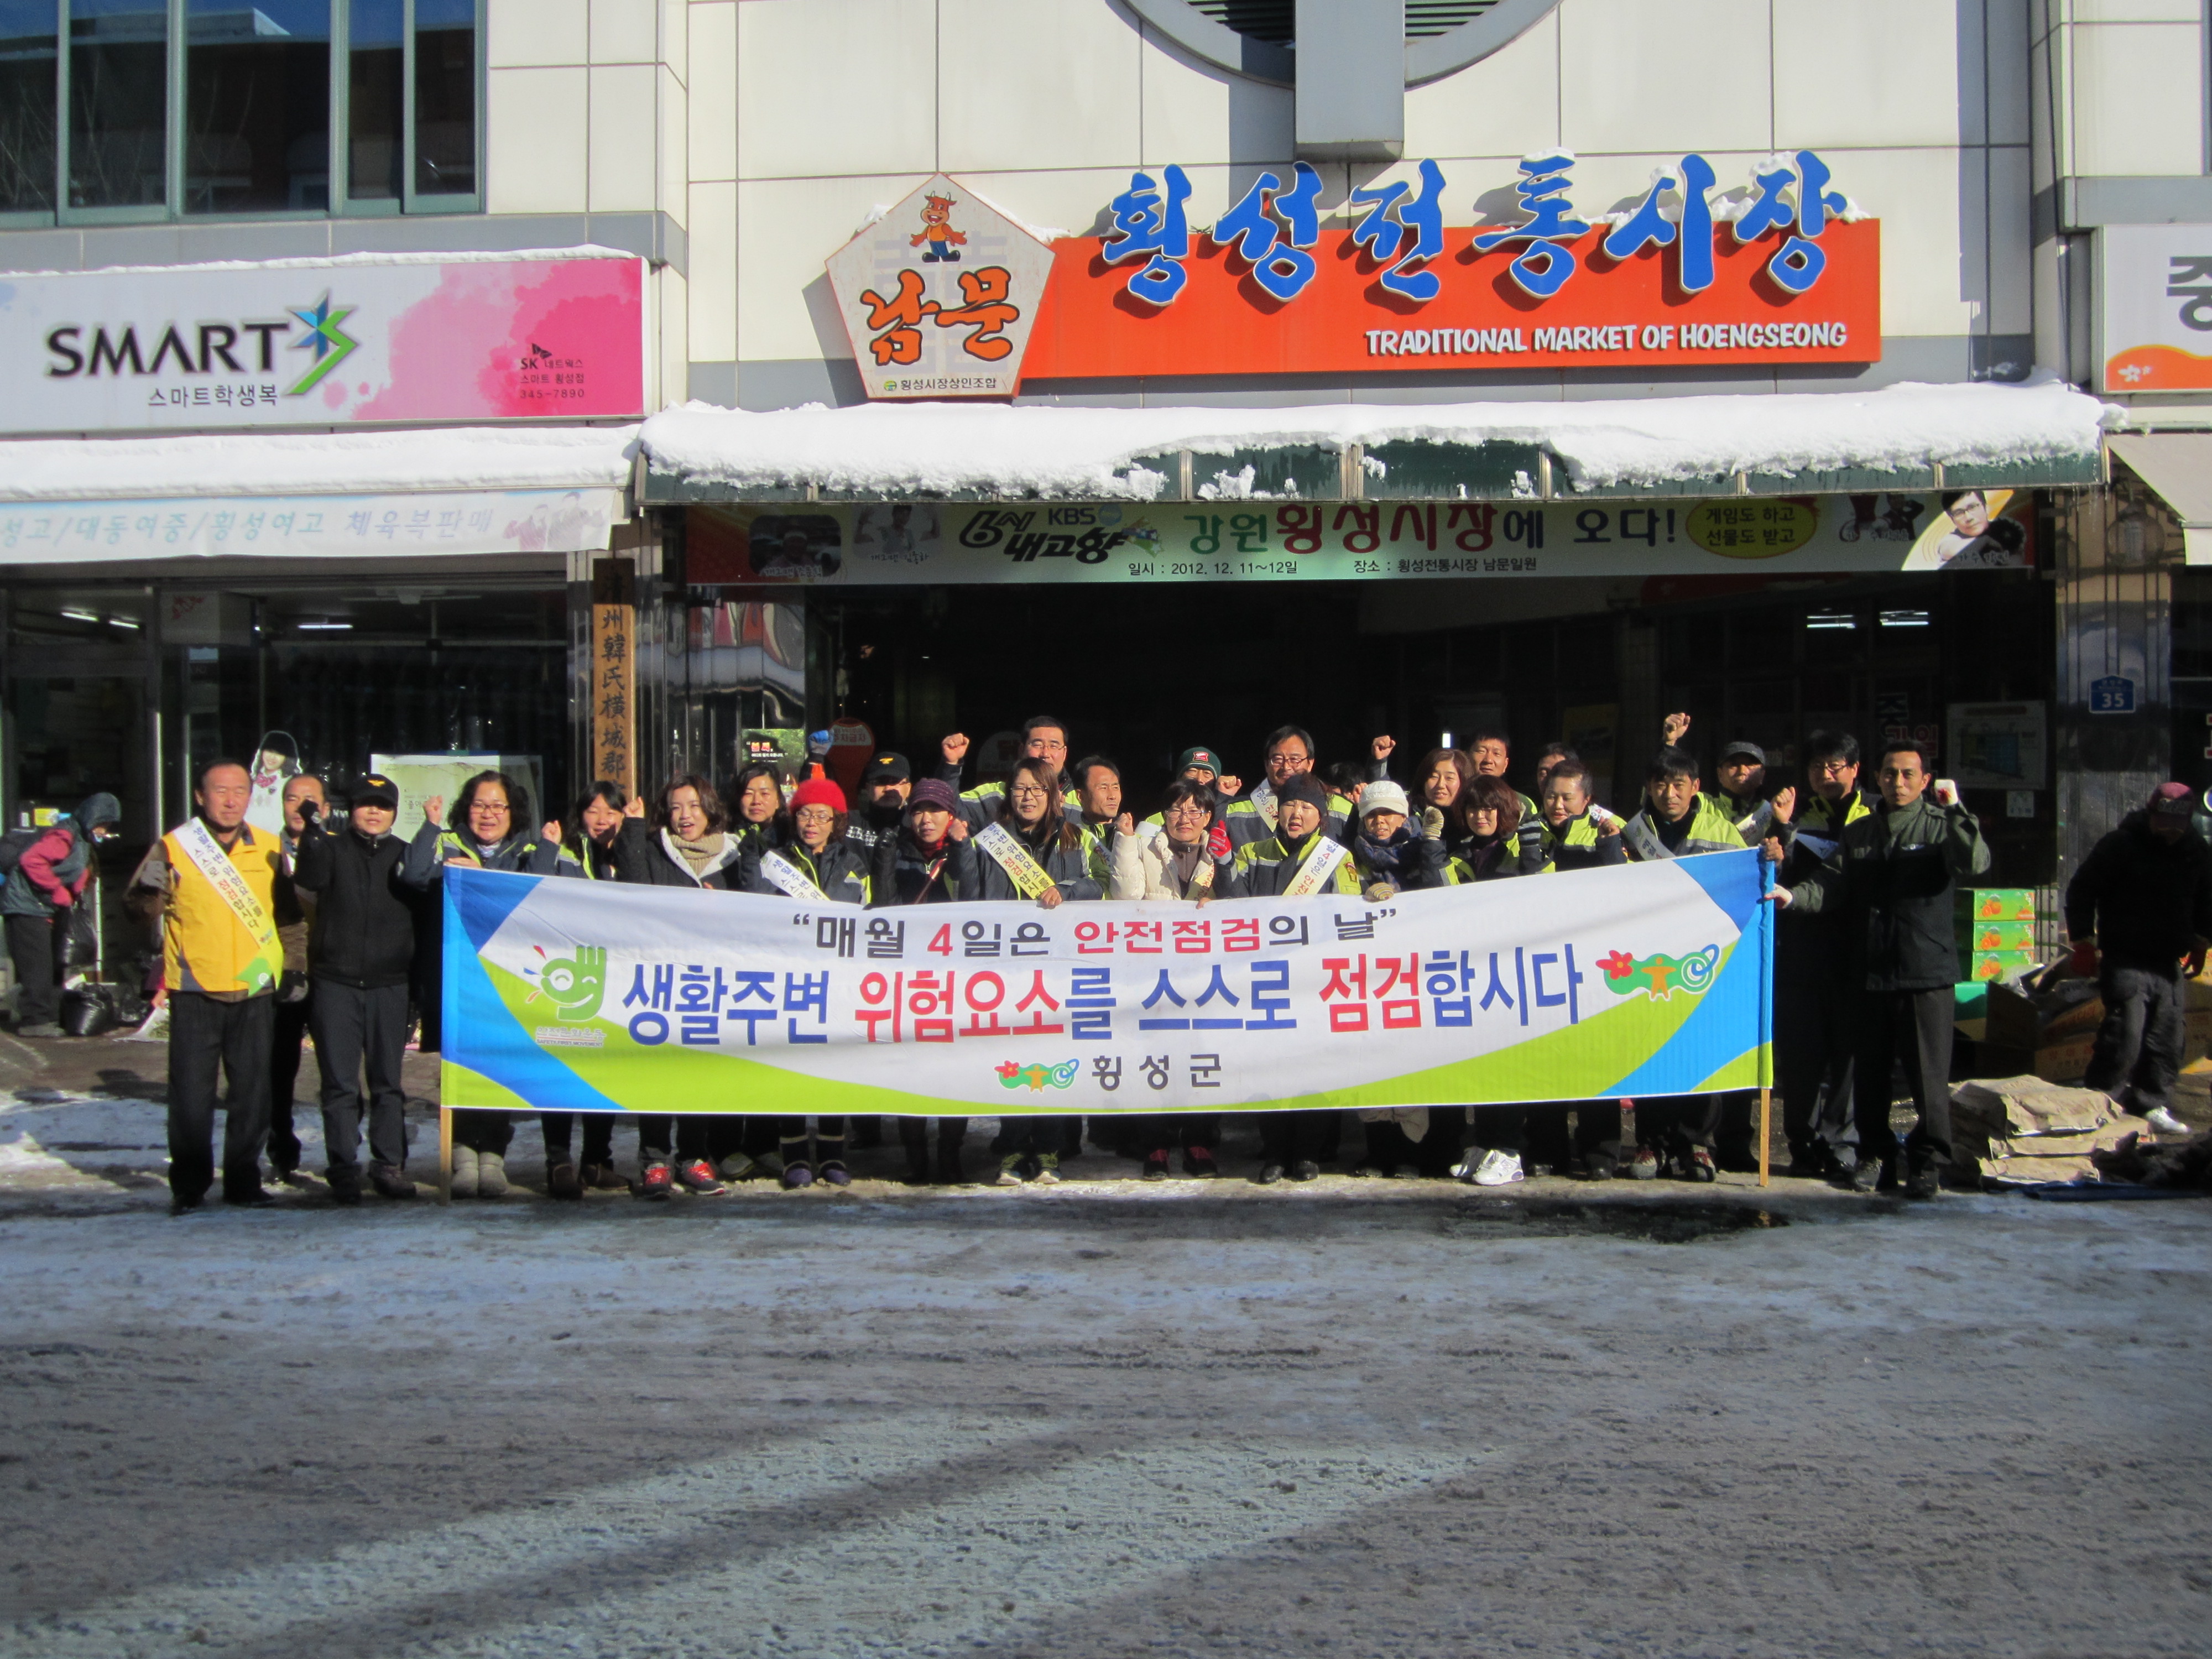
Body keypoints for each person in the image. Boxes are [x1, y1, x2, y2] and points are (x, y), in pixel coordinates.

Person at [1773, 740, 1990, 1198]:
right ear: (1878, 778)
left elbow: (1974, 862)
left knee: (1928, 1077)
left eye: (1909, 774)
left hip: (1925, 972)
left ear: (1926, 781)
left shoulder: (1941, 826)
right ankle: (1876, 1155)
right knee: (1869, 1074)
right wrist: (1793, 897)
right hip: (1869, 973)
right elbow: (1830, 883)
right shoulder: (1861, 833)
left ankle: (1928, 1161)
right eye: (1890, 774)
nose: (1898, 782)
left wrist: (1957, 812)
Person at [125, 760, 302, 1214]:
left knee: (252, 1092)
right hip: (195, 986)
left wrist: (295, 968)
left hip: (254, 987)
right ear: (200, 796)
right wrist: (146, 895)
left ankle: (244, 1179)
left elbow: (289, 918)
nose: (230, 800)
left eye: (239, 791)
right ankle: (189, 1184)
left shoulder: (270, 847)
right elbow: (139, 910)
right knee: (190, 1095)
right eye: (220, 791)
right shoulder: (174, 846)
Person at [403, 771, 573, 1199]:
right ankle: (462, 1157)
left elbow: (536, 896)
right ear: (467, 809)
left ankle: (493, 1158)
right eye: (480, 805)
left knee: (498, 1070)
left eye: (498, 806)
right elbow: (413, 876)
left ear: (513, 812)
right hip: (456, 981)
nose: (488, 814)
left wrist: (548, 848)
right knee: (461, 1068)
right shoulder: (445, 844)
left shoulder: (525, 851)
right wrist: (430, 826)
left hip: (505, 984)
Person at [1459, 764, 1624, 1187]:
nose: (1558, 804)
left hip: (1591, 961)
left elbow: (1623, 887)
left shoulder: (1604, 829)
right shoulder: (1526, 835)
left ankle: (1600, 1151)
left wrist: (1610, 846)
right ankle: (1549, 1149)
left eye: (1567, 797)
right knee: (1544, 1058)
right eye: (1551, 796)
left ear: (1586, 799)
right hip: (1539, 965)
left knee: (1592, 1058)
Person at [1618, 745, 1777, 1181]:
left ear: (1696, 787)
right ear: (1649, 788)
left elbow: (1748, 883)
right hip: (1650, 959)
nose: (1669, 793)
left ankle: (1697, 1144)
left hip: (1705, 959)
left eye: (1678, 785)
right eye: (1661, 785)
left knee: (1702, 1049)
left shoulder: (1721, 831)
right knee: (1653, 1048)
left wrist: (1771, 860)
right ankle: (1651, 1142)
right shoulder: (1632, 833)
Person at [613, 773, 749, 1197]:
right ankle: (654, 1160)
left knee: (698, 1072)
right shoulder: (656, 849)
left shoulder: (734, 853)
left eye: (693, 806)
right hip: (661, 979)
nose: (685, 816)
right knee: (658, 1070)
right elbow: (633, 891)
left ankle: (693, 1157)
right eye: (675, 808)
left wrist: (724, 910)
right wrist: (633, 826)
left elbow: (756, 908)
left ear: (710, 809)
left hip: (711, 982)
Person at [971, 757, 1102, 1184]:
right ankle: (1012, 1148)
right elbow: (968, 890)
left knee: (1050, 1059)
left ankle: (1048, 1150)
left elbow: (1101, 883)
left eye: (1037, 789)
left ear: (1053, 795)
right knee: (1012, 1060)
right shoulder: (989, 841)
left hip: (1056, 970)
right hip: (1006, 970)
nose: (1027, 797)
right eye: (1020, 789)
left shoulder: (1076, 838)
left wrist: (1066, 890)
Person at [289, 773, 416, 1204]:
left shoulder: (406, 856)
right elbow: (309, 876)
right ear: (352, 810)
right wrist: (312, 835)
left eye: (383, 805)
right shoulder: (331, 849)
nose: (374, 812)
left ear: (394, 813)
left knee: (387, 1082)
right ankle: (343, 1167)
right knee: (340, 1083)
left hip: (391, 984)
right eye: (366, 804)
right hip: (335, 984)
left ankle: (389, 1164)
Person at [744, 776, 875, 1188]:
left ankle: (833, 1156)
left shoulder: (855, 865)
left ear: (836, 821)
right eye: (804, 814)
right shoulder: (773, 861)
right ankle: (795, 1157)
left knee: (835, 1068)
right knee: (793, 1070)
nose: (812, 823)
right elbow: (754, 910)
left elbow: (869, 919)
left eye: (822, 815)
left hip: (838, 982)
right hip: (789, 981)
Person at [2063, 781, 2212, 1139]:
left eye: (2178, 824)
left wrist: (2201, 941)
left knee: (2168, 1038)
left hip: (2167, 960)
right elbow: (2082, 889)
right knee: (2124, 1035)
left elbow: (2208, 897)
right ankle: (2102, 1101)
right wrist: (2083, 941)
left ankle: (2151, 1103)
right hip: (2125, 956)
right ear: (2150, 814)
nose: (2170, 830)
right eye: (2164, 821)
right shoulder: (2121, 845)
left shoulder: (2196, 850)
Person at [1110, 779, 1243, 1179]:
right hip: (1153, 977)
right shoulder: (1144, 847)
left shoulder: (1221, 853)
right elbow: (1126, 897)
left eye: (1195, 811)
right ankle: (1156, 1144)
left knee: (1203, 1057)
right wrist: (1125, 842)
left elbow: (1240, 904)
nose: (1185, 818)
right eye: (1176, 810)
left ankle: (1198, 1141)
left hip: (1205, 976)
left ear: (1208, 816)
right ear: (1163, 814)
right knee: (1154, 1058)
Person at [1232, 775, 1356, 1185]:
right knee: (1268, 1066)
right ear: (1277, 810)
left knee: (1314, 1065)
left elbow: (1349, 916)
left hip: (1316, 980)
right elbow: (1234, 908)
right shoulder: (1251, 853)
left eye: (1306, 807)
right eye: (1289, 805)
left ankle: (1307, 1153)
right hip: (1264, 978)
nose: (1296, 813)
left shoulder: (1336, 857)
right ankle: (1275, 1151)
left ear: (1321, 816)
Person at [1765, 732, 1871, 1180]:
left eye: (1834, 766)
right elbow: (1774, 870)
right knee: (1801, 1057)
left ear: (1854, 769)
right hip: (1802, 955)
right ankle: (1802, 1144)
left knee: (1849, 1056)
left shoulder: (1875, 813)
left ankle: (1842, 1143)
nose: (1824, 775)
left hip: (1857, 955)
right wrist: (1779, 835)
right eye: (1815, 767)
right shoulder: (1796, 815)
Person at [870, 777, 977, 1184]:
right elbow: (884, 908)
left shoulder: (964, 851)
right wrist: (885, 856)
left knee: (956, 1072)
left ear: (952, 816)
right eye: (918, 810)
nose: (926, 818)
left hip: (955, 982)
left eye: (935, 810)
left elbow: (971, 900)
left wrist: (962, 849)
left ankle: (950, 1156)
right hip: (907, 982)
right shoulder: (896, 852)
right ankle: (915, 1160)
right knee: (909, 1070)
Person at [533, 781, 630, 1194]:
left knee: (603, 1071)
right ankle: (558, 1162)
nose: (603, 820)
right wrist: (546, 849)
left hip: (616, 980)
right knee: (562, 1070)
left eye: (612, 812)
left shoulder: (629, 855)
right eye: (594, 811)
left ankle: (596, 1161)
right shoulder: (563, 852)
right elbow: (531, 894)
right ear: (580, 815)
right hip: (567, 979)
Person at [3, 791, 122, 1039]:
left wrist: (72, 895)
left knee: (53, 964)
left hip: (44, 906)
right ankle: (34, 1020)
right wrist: (57, 890)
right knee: (38, 966)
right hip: (26, 906)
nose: (104, 830)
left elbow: (75, 870)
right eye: (102, 824)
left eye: (108, 826)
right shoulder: (63, 836)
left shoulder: (80, 838)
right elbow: (32, 861)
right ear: (91, 818)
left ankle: (48, 1014)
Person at [266, 773, 325, 1182]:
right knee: (279, 1069)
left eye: (310, 799)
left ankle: (344, 1150)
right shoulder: (264, 850)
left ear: (325, 807)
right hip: (282, 975)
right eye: (291, 798)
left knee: (338, 1070)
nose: (300, 806)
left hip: (329, 974)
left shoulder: (337, 847)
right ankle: (280, 1149)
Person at [1224, 726, 1352, 853]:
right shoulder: (1234, 811)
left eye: (1295, 760)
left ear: (1310, 763)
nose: (1286, 767)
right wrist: (1221, 798)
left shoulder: (1344, 809)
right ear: (1267, 764)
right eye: (1277, 760)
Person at [937, 716, 1076, 827]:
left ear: (1064, 753)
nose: (1045, 753)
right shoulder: (993, 797)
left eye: (1053, 746)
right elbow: (948, 810)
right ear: (1021, 750)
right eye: (1037, 745)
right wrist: (950, 766)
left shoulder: (1081, 800)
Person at [1466, 729, 1539, 822]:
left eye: (1496, 754)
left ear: (1506, 764)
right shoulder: (1456, 797)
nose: (1488, 760)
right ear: (1467, 757)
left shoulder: (1521, 803)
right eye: (1481, 751)